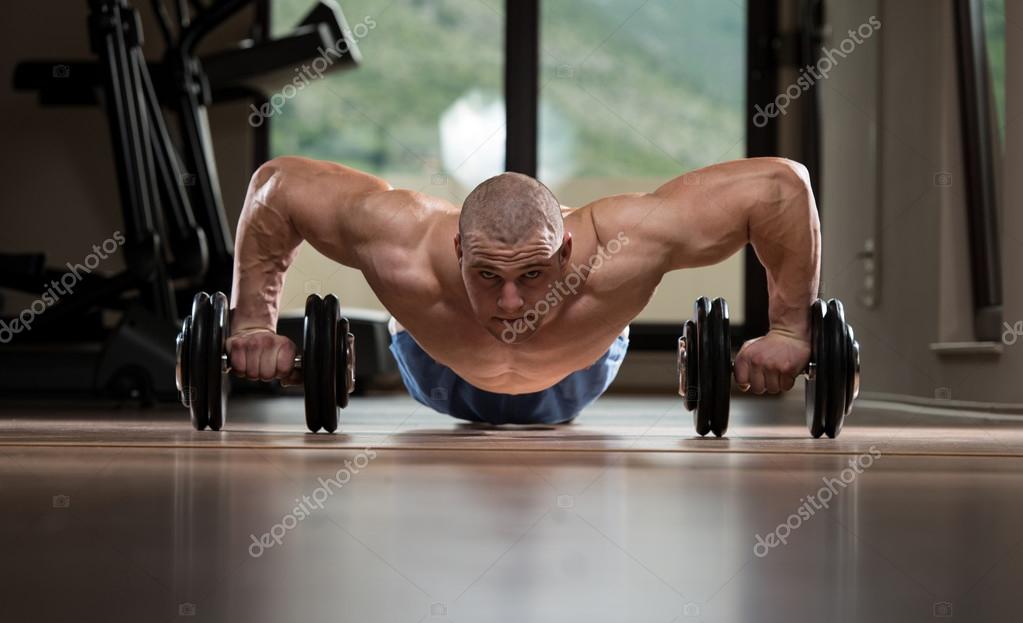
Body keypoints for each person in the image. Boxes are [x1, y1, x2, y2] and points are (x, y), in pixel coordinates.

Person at [226, 156, 818, 424]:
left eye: (532, 275)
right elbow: (277, 188)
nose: (510, 304)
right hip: (438, 368)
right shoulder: (400, 239)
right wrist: (253, 323)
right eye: (487, 276)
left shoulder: (625, 243)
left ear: (565, 252)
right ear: (459, 250)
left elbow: (781, 188)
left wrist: (790, 329)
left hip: (578, 372)